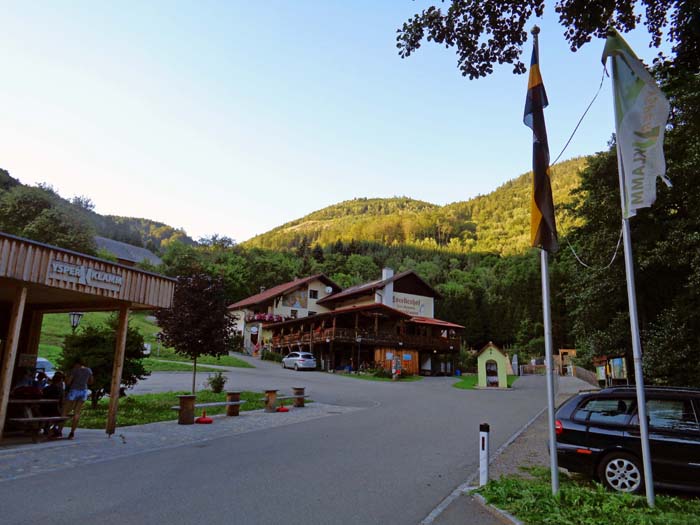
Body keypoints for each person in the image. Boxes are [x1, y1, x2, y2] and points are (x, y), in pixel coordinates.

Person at [60, 359, 93, 440]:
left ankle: (59, 430)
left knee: (65, 411)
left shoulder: (75, 370)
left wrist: (66, 378)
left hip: (74, 390)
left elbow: (68, 382)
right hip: (84, 391)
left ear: (77, 364)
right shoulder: (89, 370)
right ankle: (72, 433)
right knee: (77, 412)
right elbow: (91, 381)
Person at [41, 372, 65, 437]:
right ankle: (53, 428)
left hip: (44, 409)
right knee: (62, 415)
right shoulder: (60, 390)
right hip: (55, 410)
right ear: (60, 381)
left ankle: (49, 428)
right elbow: (62, 401)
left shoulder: (46, 389)